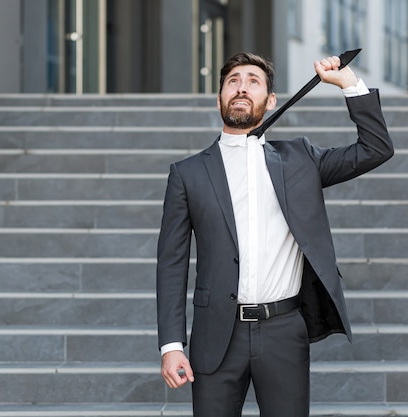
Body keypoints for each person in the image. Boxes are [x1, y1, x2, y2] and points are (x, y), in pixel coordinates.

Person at [157, 51, 393, 417]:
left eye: (253, 81)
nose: (241, 87)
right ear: (219, 97)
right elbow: (171, 266)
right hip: (216, 334)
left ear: (270, 101)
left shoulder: (302, 159)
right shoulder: (187, 174)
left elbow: (376, 148)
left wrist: (349, 84)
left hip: (284, 331)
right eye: (233, 81)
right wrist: (171, 345)